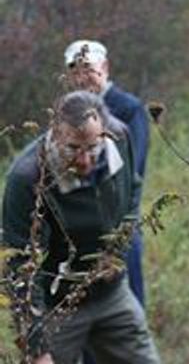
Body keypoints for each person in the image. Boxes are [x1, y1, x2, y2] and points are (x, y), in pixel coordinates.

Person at [2, 91, 161, 364]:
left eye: (93, 148)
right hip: (56, 310)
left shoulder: (120, 138)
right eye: (73, 149)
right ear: (55, 133)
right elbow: (19, 268)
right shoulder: (27, 177)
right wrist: (37, 347)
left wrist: (121, 243)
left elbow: (133, 188)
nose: (85, 161)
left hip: (112, 295)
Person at [64, 40, 148, 306]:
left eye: (88, 68)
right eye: (75, 69)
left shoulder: (128, 109)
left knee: (127, 310)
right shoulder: (67, 112)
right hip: (79, 230)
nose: (82, 76)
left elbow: (130, 166)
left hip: (119, 225)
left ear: (105, 67)